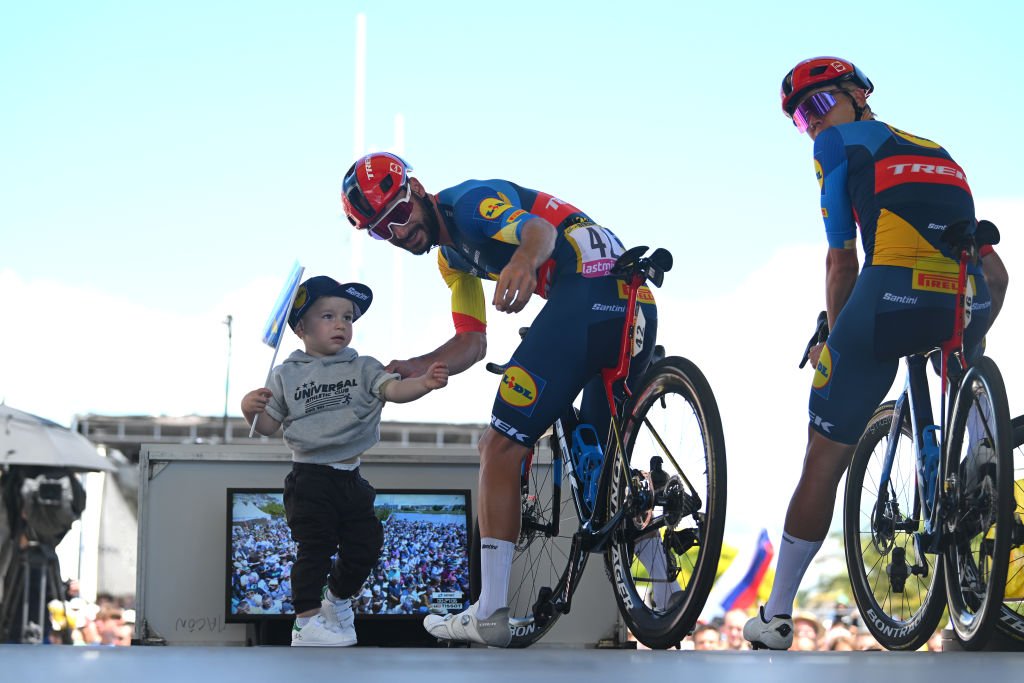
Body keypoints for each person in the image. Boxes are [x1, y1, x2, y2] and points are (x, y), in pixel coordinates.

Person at [341, 153, 660, 647]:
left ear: (418, 188)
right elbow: (472, 343)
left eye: (399, 216)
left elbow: (540, 233)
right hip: (633, 303)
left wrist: (521, 259)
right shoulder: (452, 260)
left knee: (497, 446)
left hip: (584, 297)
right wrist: (416, 365)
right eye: (383, 232)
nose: (398, 235)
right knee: (605, 469)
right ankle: (672, 593)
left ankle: (489, 611)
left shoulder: (469, 206)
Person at [745, 57, 1009, 650]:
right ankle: (979, 445)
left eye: (815, 107)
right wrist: (971, 339)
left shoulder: (838, 144)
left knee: (822, 455)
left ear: (858, 96)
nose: (811, 126)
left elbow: (842, 260)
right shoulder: (939, 148)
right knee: (962, 349)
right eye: (799, 121)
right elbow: (992, 265)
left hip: (886, 298)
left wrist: (835, 337)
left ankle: (779, 615)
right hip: (962, 295)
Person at [242, 275, 449, 647]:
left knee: (367, 544)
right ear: (301, 327)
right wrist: (248, 408)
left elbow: (394, 389)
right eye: (328, 316)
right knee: (315, 549)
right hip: (309, 477)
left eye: (348, 317)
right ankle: (305, 624)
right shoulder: (285, 374)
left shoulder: (363, 366)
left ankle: (336, 602)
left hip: (351, 476)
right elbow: (268, 425)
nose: (340, 324)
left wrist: (424, 384)